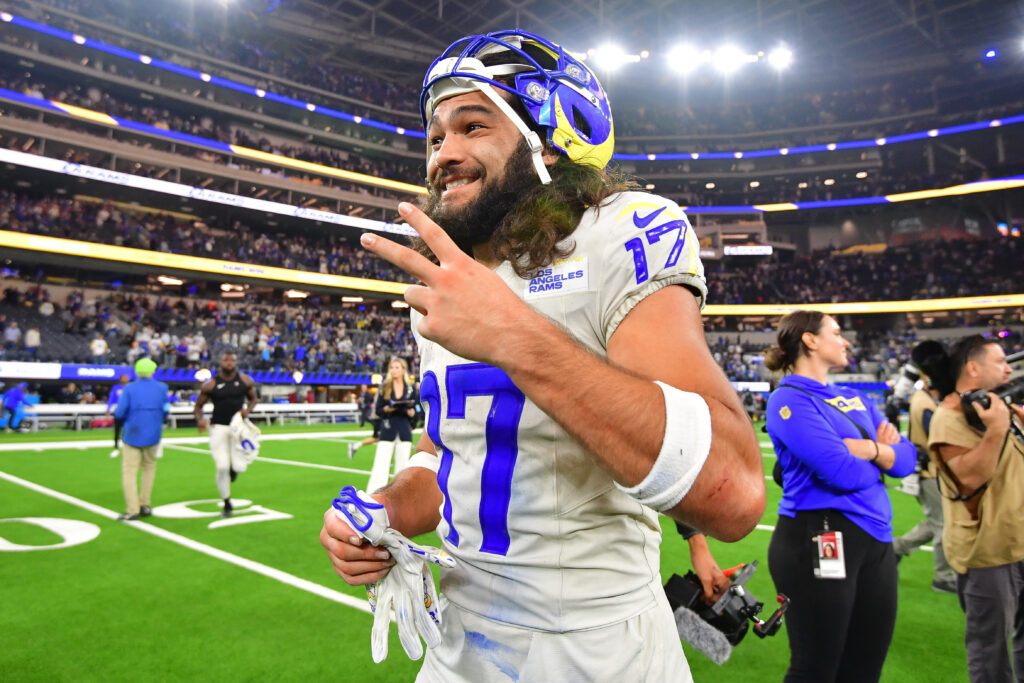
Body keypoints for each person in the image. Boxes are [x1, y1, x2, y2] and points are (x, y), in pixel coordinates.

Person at [321, 29, 764, 682]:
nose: (445, 153)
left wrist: (513, 335)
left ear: (557, 133)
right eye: (435, 136)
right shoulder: (447, 284)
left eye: (472, 124)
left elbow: (732, 491)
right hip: (459, 640)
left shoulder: (619, 230)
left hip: (597, 646)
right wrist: (385, 509)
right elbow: (445, 454)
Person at [764, 310, 916, 683]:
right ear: (810, 341)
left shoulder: (854, 398)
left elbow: (908, 459)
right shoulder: (790, 400)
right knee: (815, 670)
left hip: (877, 540)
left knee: (864, 671)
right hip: (818, 534)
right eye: (836, 332)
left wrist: (869, 450)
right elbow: (840, 472)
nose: (845, 340)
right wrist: (882, 454)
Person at [927, 335, 1024, 683]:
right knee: (991, 657)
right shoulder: (948, 417)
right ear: (973, 367)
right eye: (1000, 361)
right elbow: (970, 478)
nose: (1009, 368)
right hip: (988, 553)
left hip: (1017, 542)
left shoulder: (999, 406)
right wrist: (997, 429)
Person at [891, 341, 958, 593]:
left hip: (930, 471)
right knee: (944, 526)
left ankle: (897, 548)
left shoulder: (923, 398)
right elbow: (939, 439)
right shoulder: (925, 403)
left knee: (937, 521)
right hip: (929, 472)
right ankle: (943, 577)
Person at [193, 351, 259, 517]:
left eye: (232, 360)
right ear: (221, 363)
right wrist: (200, 420)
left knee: (239, 467)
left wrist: (247, 411)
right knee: (222, 466)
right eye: (226, 360)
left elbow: (254, 399)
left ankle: (233, 470)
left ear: (236, 363)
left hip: (238, 428)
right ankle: (227, 501)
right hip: (218, 427)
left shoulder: (245, 381)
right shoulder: (211, 384)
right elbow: (197, 407)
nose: (229, 362)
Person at [113, 358, 169, 521]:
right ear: (153, 371)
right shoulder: (161, 388)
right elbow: (166, 410)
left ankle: (132, 509)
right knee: (149, 468)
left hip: (133, 433)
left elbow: (120, 412)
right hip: (153, 433)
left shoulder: (129, 388)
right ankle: (145, 504)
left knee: (130, 471)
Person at [366, 358, 418, 492]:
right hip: (388, 429)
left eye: (397, 367)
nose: (394, 370)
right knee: (380, 466)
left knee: (402, 468)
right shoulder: (384, 388)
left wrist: (413, 414)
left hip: (404, 430)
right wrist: (386, 409)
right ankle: (373, 496)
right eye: (392, 367)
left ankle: (400, 497)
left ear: (403, 370)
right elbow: (378, 410)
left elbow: (417, 408)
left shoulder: (411, 389)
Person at [348, 385, 381, 460]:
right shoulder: (381, 393)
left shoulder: (368, 394)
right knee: (381, 438)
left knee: (378, 438)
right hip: (379, 417)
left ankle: (355, 446)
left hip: (375, 415)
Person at [107, 375, 130, 458]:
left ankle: (127, 449)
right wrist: (108, 409)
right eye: (123, 378)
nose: (125, 379)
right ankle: (116, 449)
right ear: (120, 379)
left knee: (127, 432)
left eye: (126, 378)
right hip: (118, 413)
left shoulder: (130, 388)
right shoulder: (115, 388)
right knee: (117, 431)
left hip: (128, 414)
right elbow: (111, 398)